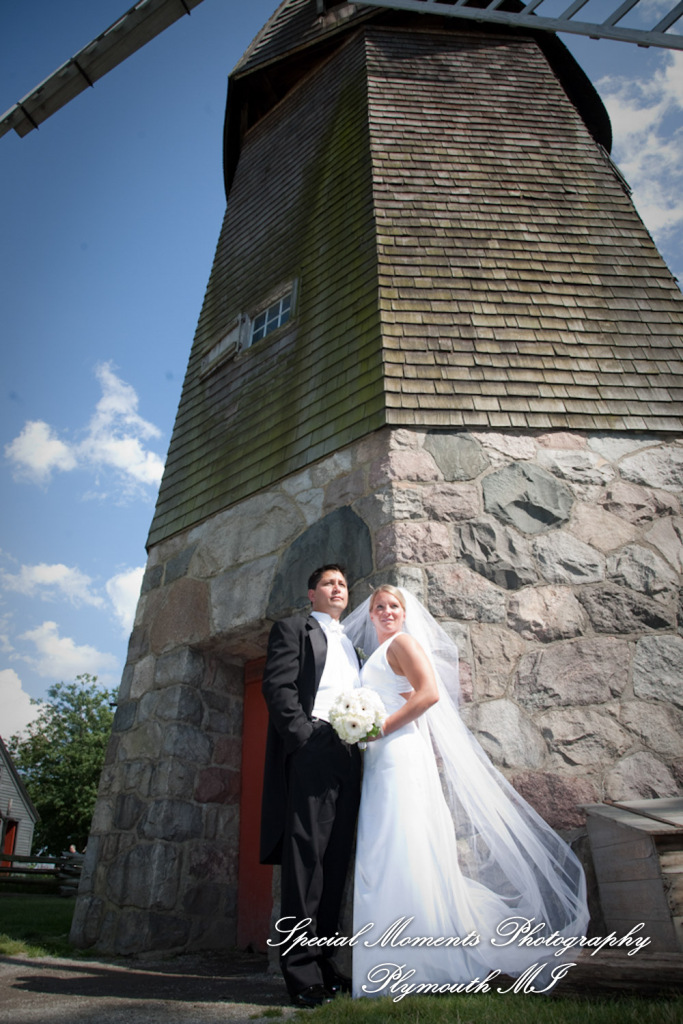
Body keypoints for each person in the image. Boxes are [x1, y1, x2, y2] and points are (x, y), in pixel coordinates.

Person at [343, 585, 590, 999]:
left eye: (393, 606)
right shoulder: (379, 654)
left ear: (404, 614)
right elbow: (402, 694)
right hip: (382, 756)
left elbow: (429, 694)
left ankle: (415, 964)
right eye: (379, 607)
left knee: (401, 845)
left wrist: (381, 727)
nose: (386, 612)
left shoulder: (403, 642)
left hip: (397, 752)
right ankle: (391, 962)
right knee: (388, 846)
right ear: (370, 616)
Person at [260, 564, 362, 1008]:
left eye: (342, 584)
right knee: (306, 863)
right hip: (313, 745)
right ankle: (299, 972)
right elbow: (278, 687)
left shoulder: (354, 644)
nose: (337, 589)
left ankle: (324, 963)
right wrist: (303, 737)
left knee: (336, 861)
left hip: (350, 752)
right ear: (311, 594)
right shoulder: (293, 629)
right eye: (328, 583)